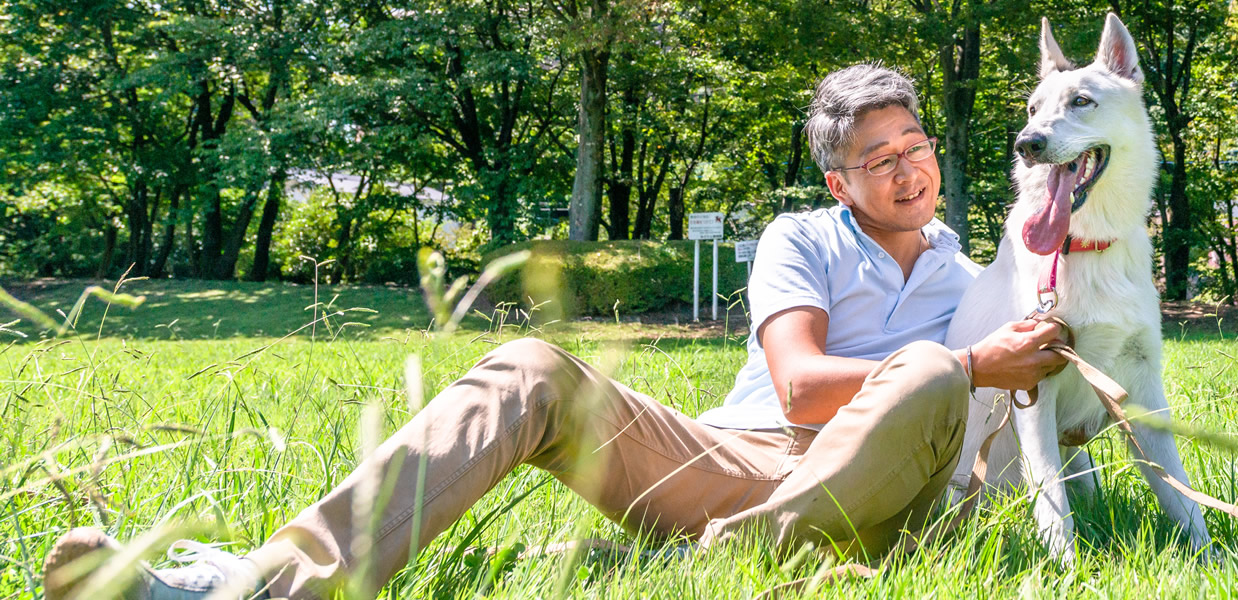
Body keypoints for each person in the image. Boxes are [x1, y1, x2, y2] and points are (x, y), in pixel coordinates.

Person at [40, 63, 1068, 600]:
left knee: (935, 372)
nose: (907, 168)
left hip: (886, 483)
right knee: (530, 364)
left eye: (917, 144)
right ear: (838, 181)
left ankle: (718, 566)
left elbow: (1048, 396)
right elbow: (798, 387)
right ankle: (266, 587)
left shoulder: (974, 272)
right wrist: (975, 362)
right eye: (876, 156)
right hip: (742, 455)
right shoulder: (801, 238)